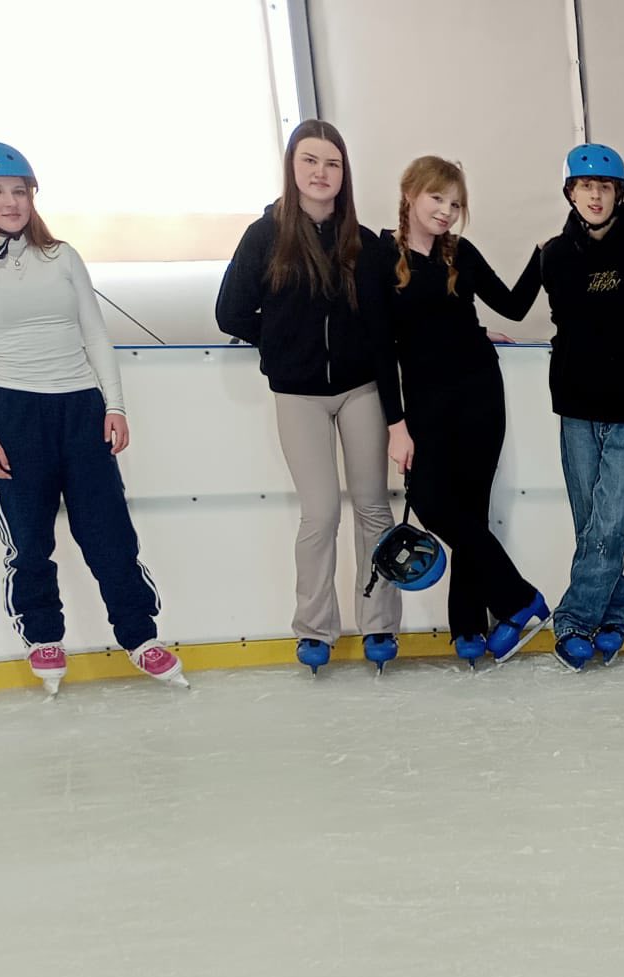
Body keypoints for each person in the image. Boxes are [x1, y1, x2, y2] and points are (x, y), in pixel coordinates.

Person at [0, 142, 184, 692]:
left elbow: (95, 333)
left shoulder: (62, 256)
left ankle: (140, 637)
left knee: (109, 534)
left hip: (81, 408)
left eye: (20, 191)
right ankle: (43, 635)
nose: (10, 202)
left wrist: (114, 404)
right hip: (13, 411)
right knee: (28, 540)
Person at [216, 119, 399, 674]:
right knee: (320, 514)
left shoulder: (365, 243)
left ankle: (379, 624)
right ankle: (315, 629)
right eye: (310, 161)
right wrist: (281, 346)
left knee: (373, 507)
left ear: (344, 174)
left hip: (360, 390)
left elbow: (388, 327)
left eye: (332, 163)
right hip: (298, 395)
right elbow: (231, 312)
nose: (321, 173)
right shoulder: (264, 235)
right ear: (292, 167)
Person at [371, 155, 547, 665]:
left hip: (478, 391)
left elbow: (512, 305)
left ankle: (467, 626)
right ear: (409, 193)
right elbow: (381, 348)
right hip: (425, 404)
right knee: (432, 503)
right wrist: (396, 425)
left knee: (471, 510)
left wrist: (543, 257)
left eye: (455, 203)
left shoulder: (460, 253)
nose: (446, 211)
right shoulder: (380, 258)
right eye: (437, 198)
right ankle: (518, 598)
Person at [525, 144, 624, 669]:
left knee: (614, 522)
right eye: (585, 187)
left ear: (619, 193)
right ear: (570, 192)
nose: (595, 196)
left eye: (605, 187)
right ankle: (615, 616)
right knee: (591, 524)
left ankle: (574, 619)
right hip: (575, 402)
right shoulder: (555, 254)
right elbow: (517, 303)